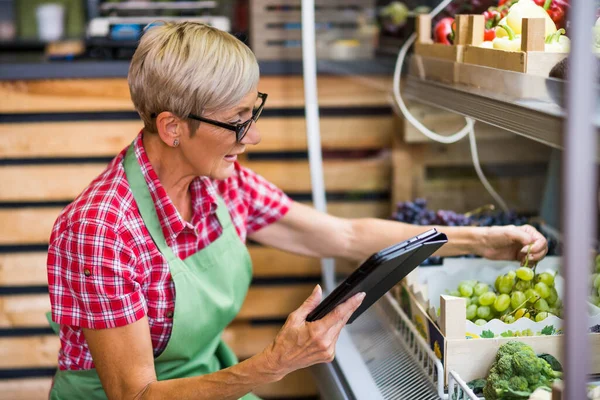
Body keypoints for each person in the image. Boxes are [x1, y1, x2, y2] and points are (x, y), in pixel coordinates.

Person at [47, 22, 548, 400]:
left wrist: (481, 241)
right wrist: (274, 364)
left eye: (253, 112)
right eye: (238, 122)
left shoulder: (221, 184)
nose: (255, 136)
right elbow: (135, 396)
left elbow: (346, 235)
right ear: (173, 127)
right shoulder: (101, 231)